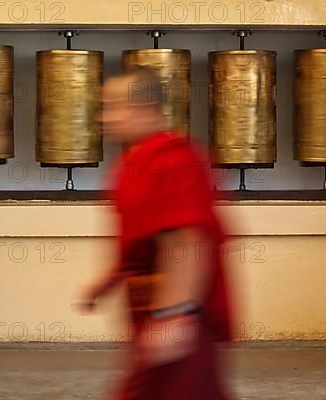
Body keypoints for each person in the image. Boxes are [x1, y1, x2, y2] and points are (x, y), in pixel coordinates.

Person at [79, 67, 234, 399]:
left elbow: (186, 243)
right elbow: (140, 238)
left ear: (146, 108)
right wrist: (110, 279)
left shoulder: (175, 161)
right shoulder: (134, 162)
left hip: (177, 313)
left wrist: (173, 316)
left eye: (114, 106)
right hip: (151, 312)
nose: (104, 117)